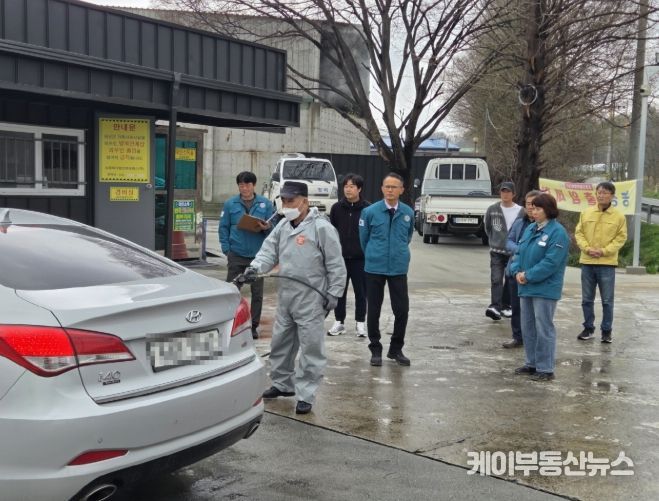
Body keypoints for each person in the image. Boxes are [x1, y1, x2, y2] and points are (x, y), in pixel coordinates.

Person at [244, 181, 346, 415]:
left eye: (291, 200)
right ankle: (283, 384)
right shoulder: (283, 225)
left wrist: (334, 293)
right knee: (281, 343)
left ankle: (306, 393)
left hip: (311, 298)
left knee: (311, 347)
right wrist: (255, 268)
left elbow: (336, 264)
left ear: (305, 201)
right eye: (284, 200)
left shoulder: (321, 228)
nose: (286, 205)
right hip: (287, 295)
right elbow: (268, 251)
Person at [509, 193, 570, 381]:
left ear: (548, 210)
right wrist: (516, 271)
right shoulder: (530, 228)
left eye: (537, 208)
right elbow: (519, 253)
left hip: (545, 288)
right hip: (525, 286)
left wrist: (528, 275)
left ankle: (545, 368)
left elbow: (551, 262)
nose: (533, 211)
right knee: (528, 327)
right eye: (532, 208)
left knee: (544, 328)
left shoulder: (557, 232)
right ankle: (531, 363)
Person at [359, 173, 415, 367]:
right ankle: (375, 348)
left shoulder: (408, 212)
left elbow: (408, 236)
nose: (390, 190)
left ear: (401, 190)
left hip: (398, 267)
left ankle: (396, 349)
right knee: (374, 309)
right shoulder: (369, 212)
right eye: (387, 186)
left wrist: (398, 252)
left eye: (394, 187)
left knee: (402, 310)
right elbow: (364, 239)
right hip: (374, 267)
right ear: (382, 189)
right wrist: (374, 254)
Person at [219, 171, 275, 339]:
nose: (244, 188)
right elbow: (223, 227)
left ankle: (253, 326)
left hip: (258, 257)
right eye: (241, 185)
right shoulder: (230, 204)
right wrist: (227, 249)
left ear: (254, 185)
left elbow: (274, 230)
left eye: (247, 185)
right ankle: (229, 323)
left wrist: (267, 228)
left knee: (257, 294)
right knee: (232, 291)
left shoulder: (265, 204)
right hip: (236, 254)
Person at [575, 181, 627, 343]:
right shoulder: (586, 212)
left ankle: (606, 331)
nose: (601, 195)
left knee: (607, 301)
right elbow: (579, 233)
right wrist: (587, 248)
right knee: (587, 299)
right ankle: (588, 328)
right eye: (599, 192)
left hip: (607, 264)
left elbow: (621, 238)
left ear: (612, 196)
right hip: (587, 261)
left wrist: (604, 251)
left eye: (605, 193)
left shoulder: (619, 216)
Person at [327, 174, 371, 337]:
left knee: (361, 293)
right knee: (339, 291)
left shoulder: (368, 209)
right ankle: (339, 322)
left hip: (361, 259)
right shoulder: (336, 208)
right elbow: (331, 232)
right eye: (346, 186)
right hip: (341, 258)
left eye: (352, 186)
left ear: (359, 189)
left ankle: (360, 323)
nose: (348, 189)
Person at [502, 190, 541, 349]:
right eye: (528, 204)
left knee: (534, 309)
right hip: (515, 270)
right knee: (516, 307)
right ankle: (517, 336)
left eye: (534, 204)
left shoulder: (545, 226)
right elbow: (509, 241)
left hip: (534, 273)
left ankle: (533, 337)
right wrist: (520, 249)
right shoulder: (519, 223)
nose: (530, 207)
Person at [484, 181, 523, 321]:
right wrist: (495, 241)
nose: (505, 194)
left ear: (513, 194)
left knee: (510, 279)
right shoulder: (492, 209)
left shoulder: (521, 211)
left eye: (508, 192)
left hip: (513, 252)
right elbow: (488, 228)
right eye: (502, 191)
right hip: (496, 251)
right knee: (496, 278)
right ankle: (495, 306)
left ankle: (506, 305)